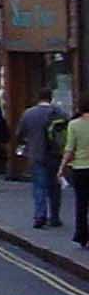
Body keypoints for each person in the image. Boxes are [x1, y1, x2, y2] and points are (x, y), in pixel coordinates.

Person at [15, 93, 64, 229]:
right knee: (55, 187)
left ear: (38, 98)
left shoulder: (28, 114)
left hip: (36, 155)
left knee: (39, 187)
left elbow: (19, 134)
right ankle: (55, 217)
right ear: (50, 97)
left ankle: (40, 215)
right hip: (55, 155)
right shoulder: (59, 113)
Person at [60, 98, 89, 247]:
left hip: (80, 168)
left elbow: (69, 149)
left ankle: (81, 236)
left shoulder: (74, 125)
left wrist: (61, 168)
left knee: (81, 204)